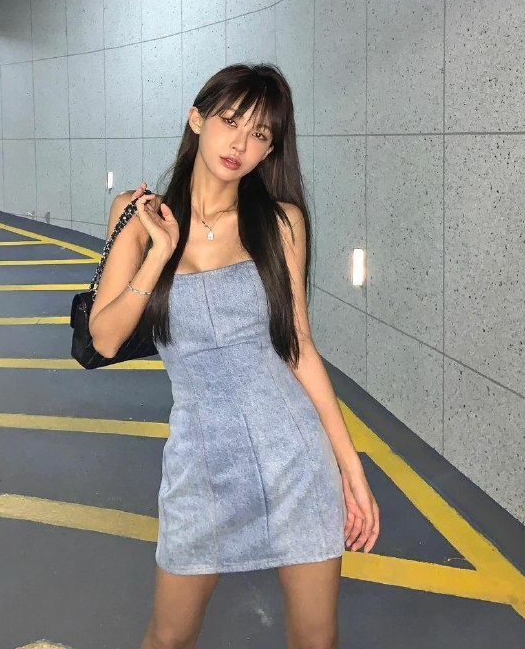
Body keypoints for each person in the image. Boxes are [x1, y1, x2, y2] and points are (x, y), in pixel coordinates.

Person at [89, 63, 379, 649]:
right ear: (197, 119)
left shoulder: (280, 222)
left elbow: (298, 347)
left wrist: (350, 468)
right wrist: (158, 253)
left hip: (293, 458)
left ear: (270, 149)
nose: (240, 144)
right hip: (200, 463)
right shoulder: (137, 216)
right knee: (168, 638)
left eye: (260, 134)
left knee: (315, 640)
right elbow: (105, 338)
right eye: (230, 121)